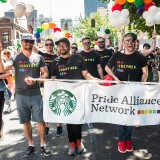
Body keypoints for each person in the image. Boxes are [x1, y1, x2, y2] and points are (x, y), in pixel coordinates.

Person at [0, 33, 51, 157]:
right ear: (21, 42)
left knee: (40, 120)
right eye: (25, 41)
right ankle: (31, 144)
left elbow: (45, 74)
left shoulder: (39, 57)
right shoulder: (16, 58)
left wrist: (36, 79)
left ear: (33, 43)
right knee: (25, 121)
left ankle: (43, 145)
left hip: (36, 94)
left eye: (30, 41)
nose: (28, 43)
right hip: (21, 95)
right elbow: (3, 70)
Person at [51, 38, 96, 156]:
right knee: (69, 122)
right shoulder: (55, 62)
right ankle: (72, 144)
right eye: (59, 46)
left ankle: (79, 143)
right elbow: (53, 79)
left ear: (69, 46)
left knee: (77, 121)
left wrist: (95, 80)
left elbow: (85, 74)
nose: (61, 47)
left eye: (64, 45)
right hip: (65, 97)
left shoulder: (78, 58)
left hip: (79, 95)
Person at [105, 32, 148, 153]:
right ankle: (121, 140)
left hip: (134, 93)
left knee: (130, 117)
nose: (130, 43)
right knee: (120, 116)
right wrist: (114, 77)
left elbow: (145, 73)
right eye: (127, 41)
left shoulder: (140, 57)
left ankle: (128, 139)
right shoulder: (117, 55)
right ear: (123, 43)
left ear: (135, 42)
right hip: (119, 92)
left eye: (132, 40)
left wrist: (141, 85)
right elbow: (107, 68)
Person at [37, 39, 63, 137]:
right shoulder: (41, 56)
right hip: (44, 84)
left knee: (56, 104)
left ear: (53, 46)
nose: (48, 46)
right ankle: (47, 126)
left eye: (50, 44)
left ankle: (59, 126)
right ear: (44, 46)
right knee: (45, 106)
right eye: (47, 44)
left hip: (55, 84)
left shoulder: (57, 57)